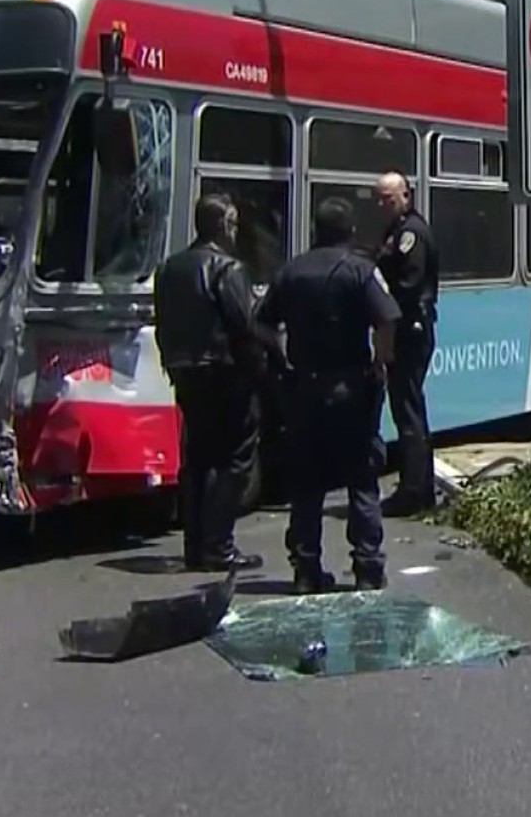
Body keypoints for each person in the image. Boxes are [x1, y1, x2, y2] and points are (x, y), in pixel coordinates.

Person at [258, 198, 402, 595]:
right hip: (351, 386)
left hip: (304, 386)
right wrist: (380, 361)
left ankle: (306, 569)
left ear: (315, 230)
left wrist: (283, 355)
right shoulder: (360, 270)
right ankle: (368, 568)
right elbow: (388, 318)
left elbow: (262, 324)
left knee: (306, 482)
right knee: (361, 479)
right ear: (351, 231)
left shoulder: (290, 272)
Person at [151, 195, 266, 573]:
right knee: (234, 460)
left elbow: (163, 323)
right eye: (232, 224)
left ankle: (195, 546)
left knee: (197, 459)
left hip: (185, 372)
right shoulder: (227, 269)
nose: (235, 231)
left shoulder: (168, 268)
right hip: (225, 373)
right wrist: (259, 368)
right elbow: (243, 326)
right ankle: (218, 547)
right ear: (221, 226)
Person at [372, 170, 440, 519]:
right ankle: (418, 486)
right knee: (407, 409)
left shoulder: (411, 234)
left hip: (410, 331)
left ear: (406, 196)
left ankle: (415, 491)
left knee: (408, 411)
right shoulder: (394, 232)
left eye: (389, 197)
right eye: (380, 198)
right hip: (405, 330)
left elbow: (408, 285)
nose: (383, 204)